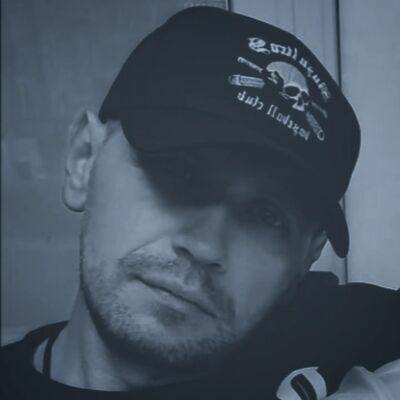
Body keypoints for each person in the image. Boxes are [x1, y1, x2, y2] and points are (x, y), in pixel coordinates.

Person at [1, 6, 399, 400]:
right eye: (179, 173)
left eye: (268, 216)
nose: (206, 246)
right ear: (84, 159)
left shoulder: (340, 336)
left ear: (306, 257)